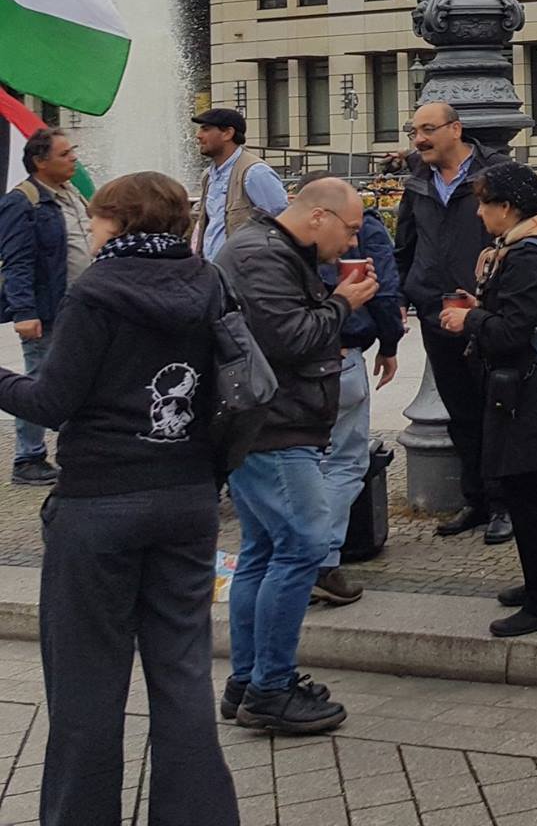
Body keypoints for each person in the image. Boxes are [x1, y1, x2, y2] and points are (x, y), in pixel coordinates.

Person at [0, 170, 240, 824]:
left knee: (87, 685)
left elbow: (51, 402)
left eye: (99, 217)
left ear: (120, 222)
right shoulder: (210, 281)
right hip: (187, 497)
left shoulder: (97, 292)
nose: (92, 227)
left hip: (99, 504)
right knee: (184, 674)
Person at [218, 177, 380, 735]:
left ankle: (248, 682)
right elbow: (290, 338)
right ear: (318, 217)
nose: (352, 241)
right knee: (303, 546)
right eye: (350, 229)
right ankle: (270, 689)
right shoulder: (261, 256)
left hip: (266, 425)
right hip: (275, 429)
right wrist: (342, 302)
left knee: (262, 551)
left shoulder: (269, 248)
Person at [436, 162, 537, 636]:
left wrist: (470, 320)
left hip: (531, 394)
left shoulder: (526, 257)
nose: (479, 213)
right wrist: (484, 307)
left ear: (508, 207)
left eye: (485, 204)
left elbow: (513, 332)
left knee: (532, 496)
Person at [396, 101, 513, 544]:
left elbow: (519, 235)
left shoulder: (493, 172)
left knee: (496, 409)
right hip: (435, 311)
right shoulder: (418, 179)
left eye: (428, 129)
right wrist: (403, 297)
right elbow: (404, 244)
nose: (419, 139)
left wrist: (495, 298)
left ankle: (505, 504)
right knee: (460, 412)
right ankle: (477, 499)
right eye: (414, 131)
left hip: (485, 313)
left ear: (456, 129)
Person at [309, 178, 404, 608]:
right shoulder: (367, 227)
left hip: (295, 366)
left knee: (305, 463)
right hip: (343, 355)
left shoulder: (278, 239)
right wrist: (389, 344)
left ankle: (292, 557)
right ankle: (319, 561)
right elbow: (383, 288)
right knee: (345, 462)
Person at [0, 126, 88, 486]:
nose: (73, 158)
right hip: (47, 310)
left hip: (80, 308)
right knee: (38, 380)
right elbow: (16, 262)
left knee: (80, 378)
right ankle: (28, 458)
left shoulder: (71, 193)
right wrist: (25, 312)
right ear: (40, 161)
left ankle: (78, 451)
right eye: (65, 154)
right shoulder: (22, 202)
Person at [191, 107, 289, 261]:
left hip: (245, 270)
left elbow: (281, 222)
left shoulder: (255, 172)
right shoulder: (208, 176)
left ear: (228, 133)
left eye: (206, 129)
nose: (198, 135)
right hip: (215, 269)